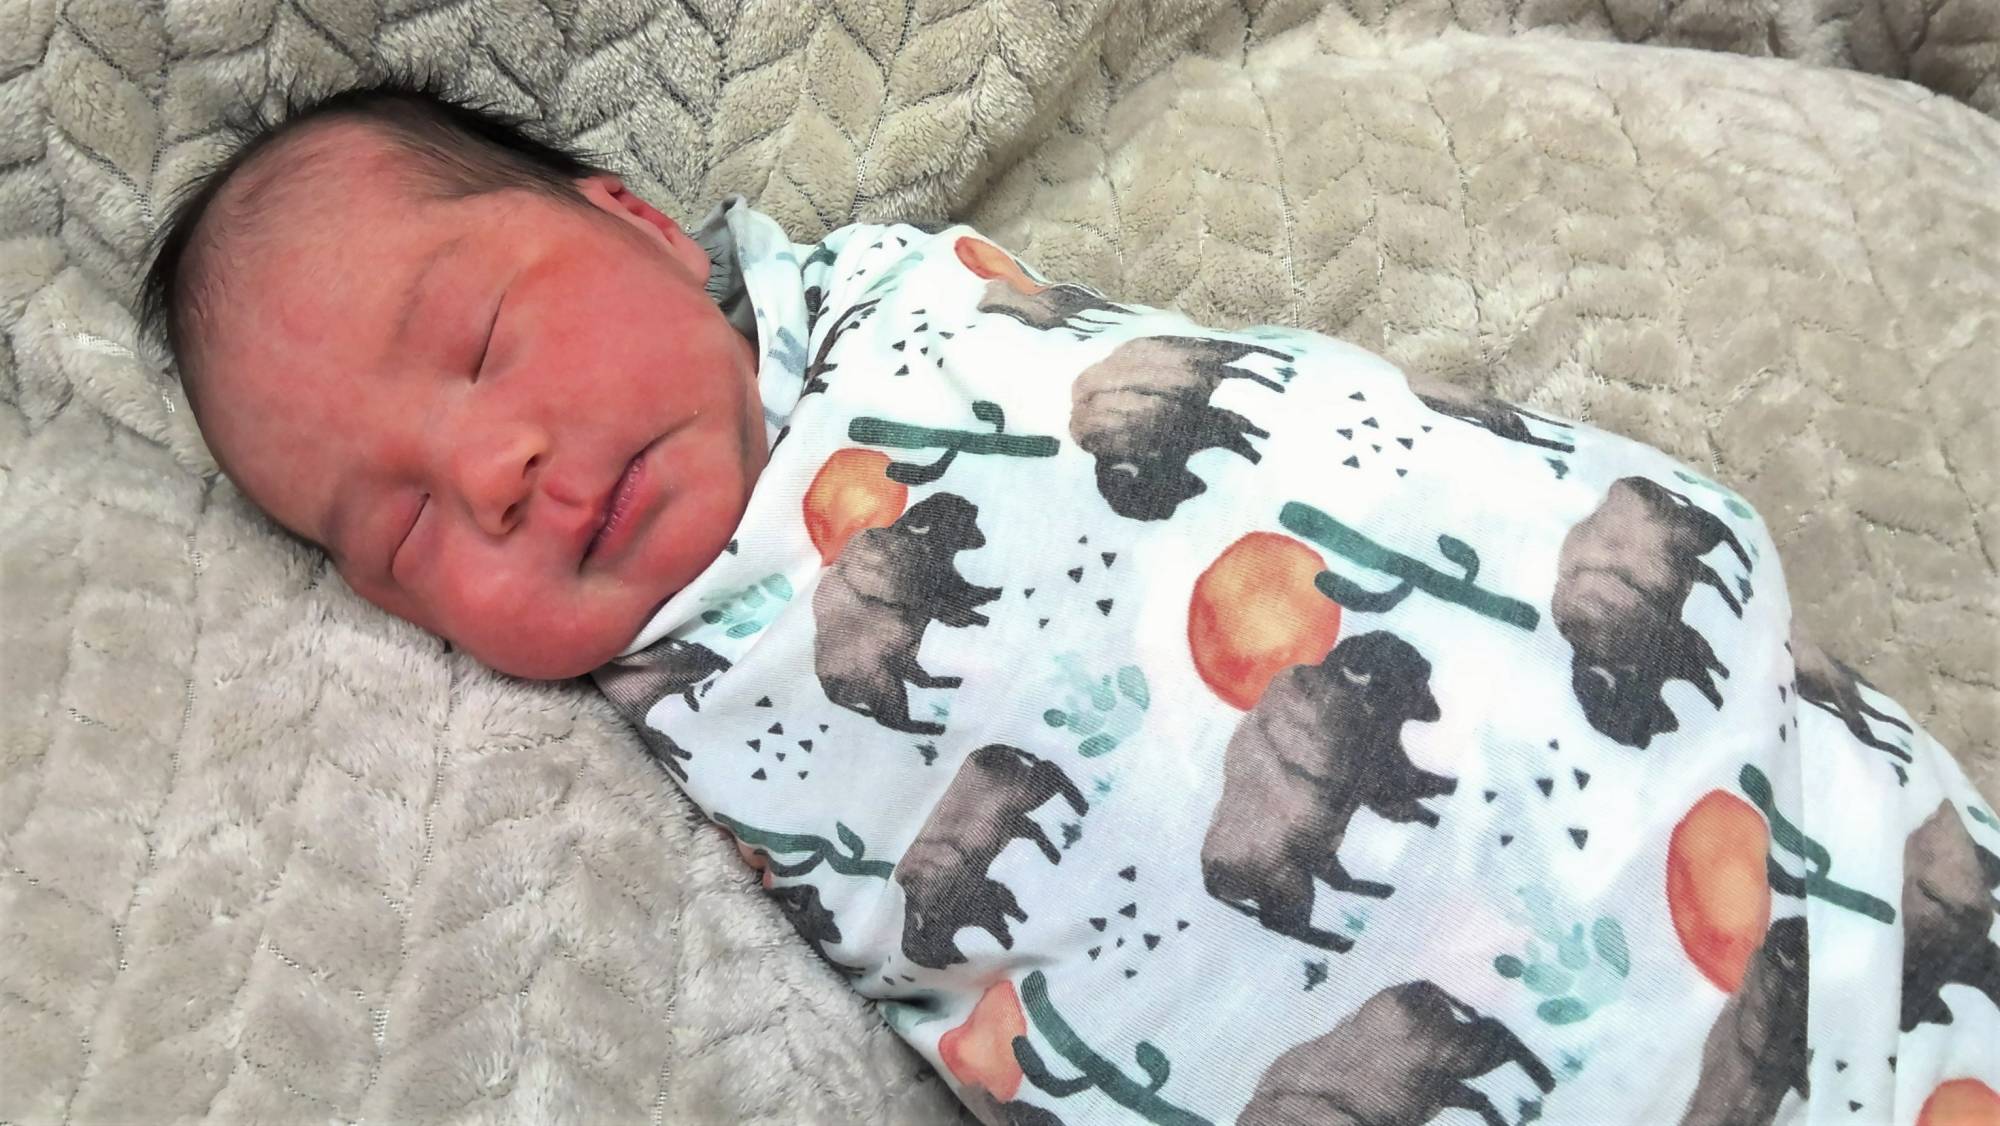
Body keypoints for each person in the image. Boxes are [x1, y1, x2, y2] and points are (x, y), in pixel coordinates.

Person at [142, 77, 2000, 1126]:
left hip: (1792, 781)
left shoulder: (887, 305)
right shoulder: (679, 715)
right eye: (399, 533)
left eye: (481, 336)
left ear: (633, 221)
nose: (489, 471)